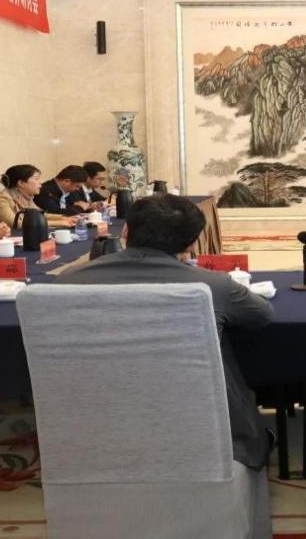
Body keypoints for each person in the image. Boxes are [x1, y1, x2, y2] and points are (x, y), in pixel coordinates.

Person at [57, 194, 273, 471]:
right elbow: (262, 316)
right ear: (192, 244)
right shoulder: (212, 286)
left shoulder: (68, 282)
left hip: (94, 414)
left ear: (125, 231)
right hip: (196, 420)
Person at [0, 164, 75, 229]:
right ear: (21, 183)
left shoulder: (26, 197)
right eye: (36, 179)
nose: (41, 183)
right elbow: (16, 224)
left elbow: (40, 215)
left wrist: (64, 218)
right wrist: (60, 223)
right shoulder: (1, 199)